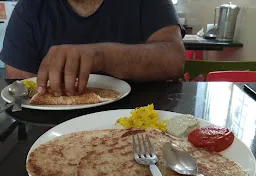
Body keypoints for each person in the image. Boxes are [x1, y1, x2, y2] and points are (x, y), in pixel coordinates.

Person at [0, 0, 185, 96]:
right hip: (53, 133)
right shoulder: (29, 8)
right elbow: (19, 89)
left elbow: (174, 58)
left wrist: (101, 56)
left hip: (140, 129)